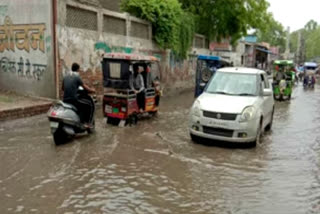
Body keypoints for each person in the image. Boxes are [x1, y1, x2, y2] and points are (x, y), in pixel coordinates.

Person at [62, 63, 96, 127]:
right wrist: (93, 90)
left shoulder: (65, 76)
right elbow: (85, 88)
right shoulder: (77, 77)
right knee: (89, 105)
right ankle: (88, 123)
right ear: (78, 69)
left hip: (65, 100)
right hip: (73, 100)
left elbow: (63, 88)